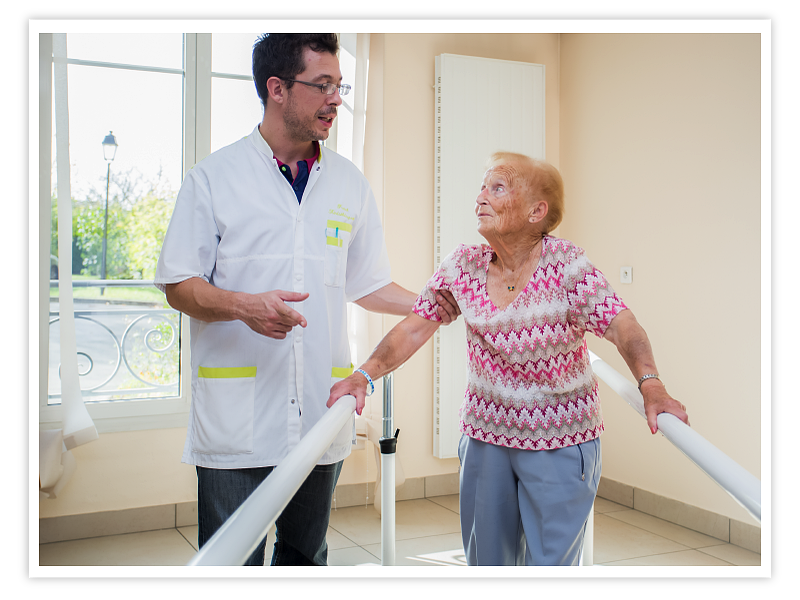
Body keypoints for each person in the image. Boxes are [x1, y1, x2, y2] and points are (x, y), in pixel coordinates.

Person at [154, 34, 460, 566]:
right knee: (232, 559)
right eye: (322, 85)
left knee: (305, 554)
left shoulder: (349, 184)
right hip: (237, 420)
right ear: (277, 89)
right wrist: (243, 306)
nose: (335, 99)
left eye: (339, 86)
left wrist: (438, 302)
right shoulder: (214, 179)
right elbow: (178, 285)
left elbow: (369, 285)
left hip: (322, 408)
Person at [327, 151, 690, 566]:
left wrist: (652, 385)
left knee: (550, 563)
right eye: (482, 187)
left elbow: (622, 326)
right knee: (487, 561)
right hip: (485, 438)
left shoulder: (567, 265)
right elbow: (414, 327)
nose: (480, 197)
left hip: (560, 439)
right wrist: (363, 376)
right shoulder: (463, 265)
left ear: (537, 211)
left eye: (496, 188)